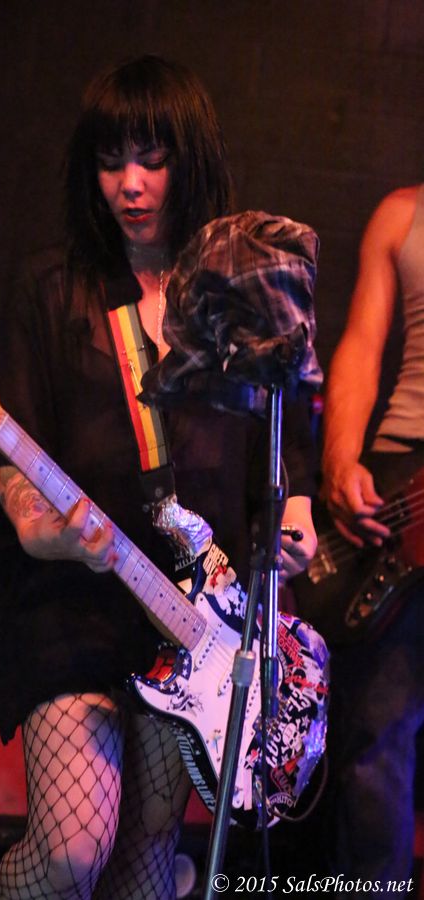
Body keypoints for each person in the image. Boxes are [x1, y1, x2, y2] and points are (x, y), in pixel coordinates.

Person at [0, 55, 319, 900]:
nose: (129, 185)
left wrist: (296, 517)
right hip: (76, 603)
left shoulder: (233, 292)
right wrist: (40, 529)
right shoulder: (52, 289)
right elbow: (9, 454)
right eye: (110, 162)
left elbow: (286, 440)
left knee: (141, 868)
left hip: (191, 620)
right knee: (72, 850)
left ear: (190, 159)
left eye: (152, 159)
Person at [322, 184, 424, 894]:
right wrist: (339, 458)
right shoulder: (403, 214)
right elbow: (361, 345)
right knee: (374, 738)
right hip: (401, 485)